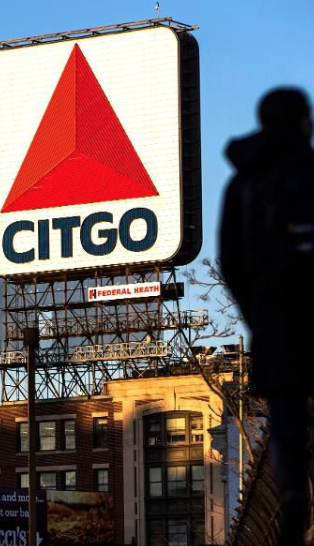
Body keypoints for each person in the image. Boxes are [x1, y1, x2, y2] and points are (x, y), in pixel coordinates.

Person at [219, 87, 314, 546]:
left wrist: (257, 314)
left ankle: (293, 492)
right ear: (303, 120)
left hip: (275, 322)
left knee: (288, 420)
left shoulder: (243, 184)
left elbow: (231, 260)